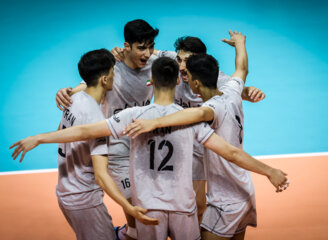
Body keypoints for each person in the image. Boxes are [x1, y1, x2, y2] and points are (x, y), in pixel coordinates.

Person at [11, 57, 288, 240]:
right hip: (183, 208)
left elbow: (84, 131)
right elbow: (232, 152)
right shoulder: (190, 118)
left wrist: (38, 137)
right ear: (178, 81)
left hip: (146, 208)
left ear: (150, 81)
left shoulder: (133, 117)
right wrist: (270, 171)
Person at [124, 31, 289, 239]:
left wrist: (155, 121)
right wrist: (240, 43)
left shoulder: (213, 106)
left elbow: (200, 115)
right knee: (197, 204)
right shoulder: (230, 91)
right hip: (243, 188)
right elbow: (242, 69)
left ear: (197, 82)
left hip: (224, 197)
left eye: (187, 65)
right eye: (179, 60)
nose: (181, 67)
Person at [13, 49, 158, 240]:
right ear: (105, 80)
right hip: (85, 200)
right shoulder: (96, 120)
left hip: (65, 192)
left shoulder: (73, 100)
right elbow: (101, 175)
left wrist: (39, 138)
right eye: (113, 73)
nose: (116, 78)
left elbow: (61, 134)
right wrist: (128, 206)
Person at [55, 19, 161, 239]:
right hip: (114, 149)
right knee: (135, 204)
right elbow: (89, 85)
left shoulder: (155, 62)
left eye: (150, 46)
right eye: (141, 47)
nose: (147, 53)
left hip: (141, 143)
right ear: (126, 46)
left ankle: (128, 233)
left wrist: (241, 90)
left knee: (147, 207)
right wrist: (69, 93)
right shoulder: (113, 68)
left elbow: (185, 61)